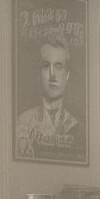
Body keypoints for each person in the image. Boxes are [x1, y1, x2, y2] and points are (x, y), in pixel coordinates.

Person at [15, 28, 83, 161]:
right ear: (38, 74)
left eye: (58, 66)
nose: (52, 75)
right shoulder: (24, 121)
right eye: (46, 66)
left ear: (67, 74)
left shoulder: (78, 126)